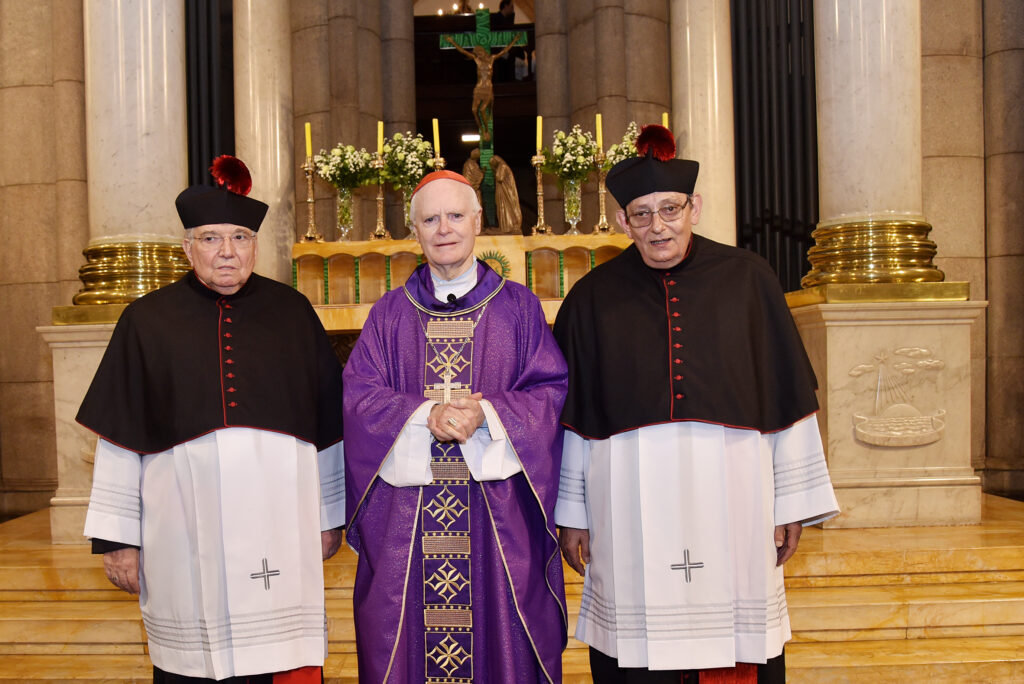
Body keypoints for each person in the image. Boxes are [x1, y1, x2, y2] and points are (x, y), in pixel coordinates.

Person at [553, 125, 838, 683]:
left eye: (670, 209)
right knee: (635, 642)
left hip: (736, 492)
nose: (658, 226)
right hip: (626, 502)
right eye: (641, 214)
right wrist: (574, 514)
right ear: (622, 221)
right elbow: (574, 419)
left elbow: (787, 398)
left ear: (695, 208)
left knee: (737, 631)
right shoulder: (592, 297)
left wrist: (791, 502)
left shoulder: (749, 280)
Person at [79, 156, 345, 683]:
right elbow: (119, 434)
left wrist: (328, 515)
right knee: (191, 663)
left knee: (278, 658)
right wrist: (116, 539)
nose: (227, 251)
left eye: (240, 237)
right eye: (211, 238)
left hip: (279, 529)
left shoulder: (293, 312)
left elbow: (328, 427)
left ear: (255, 245)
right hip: (179, 529)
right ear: (187, 247)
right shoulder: (145, 321)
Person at [343, 170, 568, 683]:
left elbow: (549, 392)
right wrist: (424, 414)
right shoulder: (389, 314)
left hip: (497, 519)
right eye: (430, 219)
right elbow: (359, 397)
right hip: (410, 519)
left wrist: (490, 413)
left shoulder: (519, 308)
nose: (444, 229)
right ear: (414, 231)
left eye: (455, 216)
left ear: (478, 221)